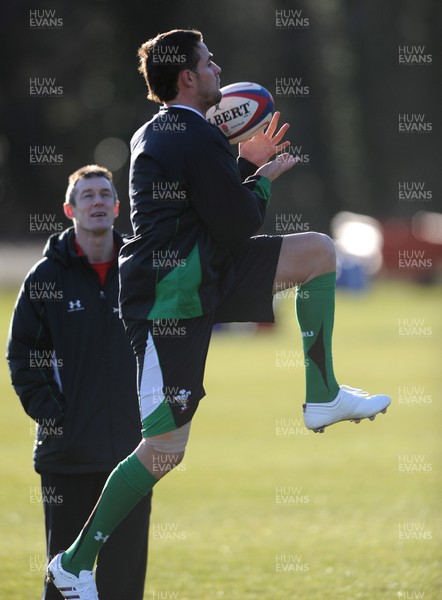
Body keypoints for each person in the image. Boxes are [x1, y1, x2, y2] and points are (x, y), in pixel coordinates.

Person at [45, 30, 391, 599]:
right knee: (163, 452)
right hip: (169, 300)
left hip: (203, 272)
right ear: (187, 77)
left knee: (317, 254)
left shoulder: (178, 133)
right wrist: (257, 174)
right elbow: (236, 222)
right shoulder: (188, 134)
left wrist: (245, 170)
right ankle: (73, 564)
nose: (217, 68)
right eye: (209, 62)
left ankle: (322, 392)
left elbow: (217, 214)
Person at [7, 165, 152, 600]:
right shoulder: (46, 278)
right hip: (66, 456)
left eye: (105, 194)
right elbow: (22, 357)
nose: (97, 201)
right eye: (86, 195)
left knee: (124, 578)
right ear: (70, 209)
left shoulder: (141, 269)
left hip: (134, 452)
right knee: (67, 577)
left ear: (117, 206)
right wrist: (57, 418)